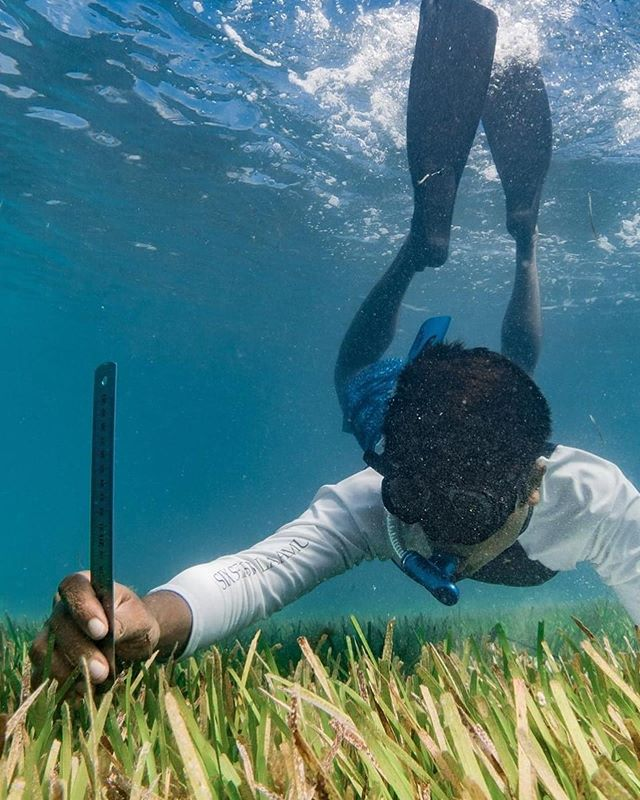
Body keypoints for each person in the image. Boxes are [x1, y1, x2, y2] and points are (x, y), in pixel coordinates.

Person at [30, 0, 640, 691]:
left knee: (497, 375)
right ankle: (483, 245)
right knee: (368, 379)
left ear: (535, 485)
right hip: (410, 411)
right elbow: (262, 570)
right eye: (409, 500)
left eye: (465, 515)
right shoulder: (385, 494)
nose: (430, 539)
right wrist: (147, 624)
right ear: (392, 473)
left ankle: (467, 245)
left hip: (475, 430)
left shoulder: (593, 500)